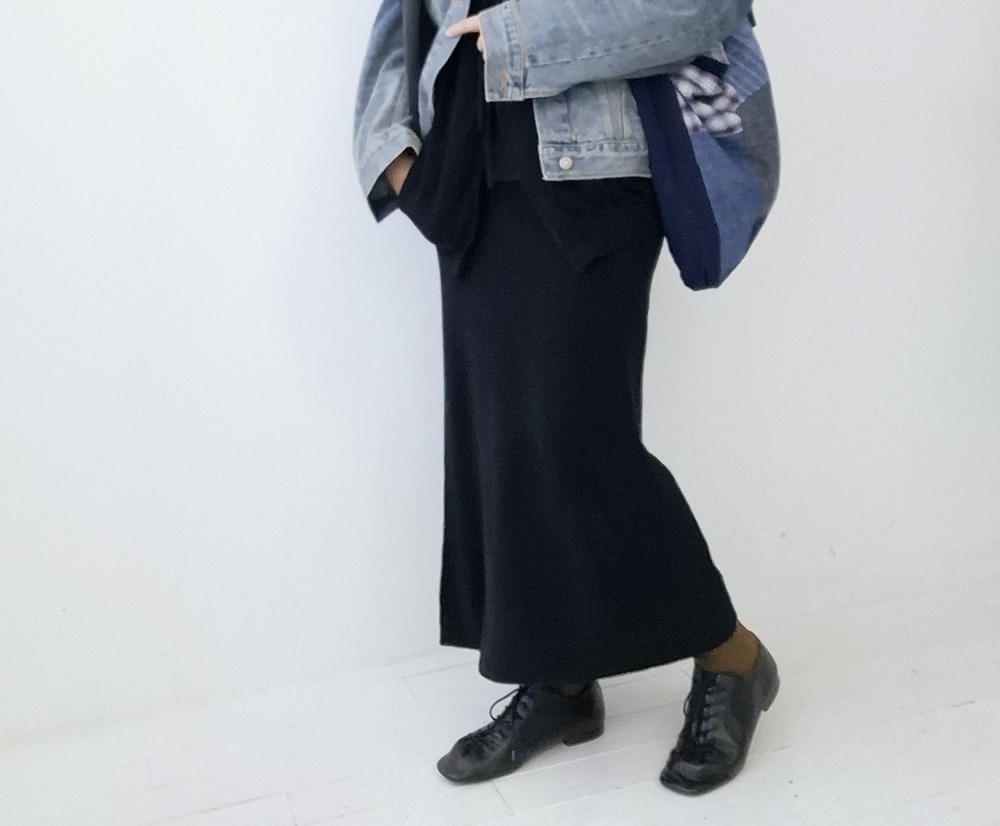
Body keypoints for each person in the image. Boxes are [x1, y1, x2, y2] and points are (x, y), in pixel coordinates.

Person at [352, 0, 779, 795]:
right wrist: (392, 155)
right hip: (465, 175)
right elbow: (399, 22)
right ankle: (563, 679)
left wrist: (519, 36)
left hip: (595, 171)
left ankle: (734, 655)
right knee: (503, 446)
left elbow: (706, 8)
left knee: (578, 442)